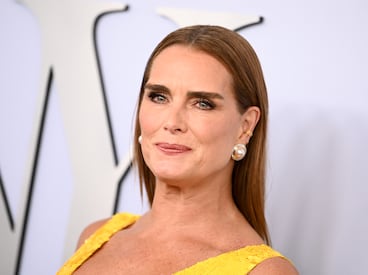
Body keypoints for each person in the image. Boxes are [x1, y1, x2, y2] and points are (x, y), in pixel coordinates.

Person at [57, 25, 298, 274]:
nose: (172, 123)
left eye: (202, 103)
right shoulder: (96, 236)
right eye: (159, 97)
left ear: (245, 127)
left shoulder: (264, 272)